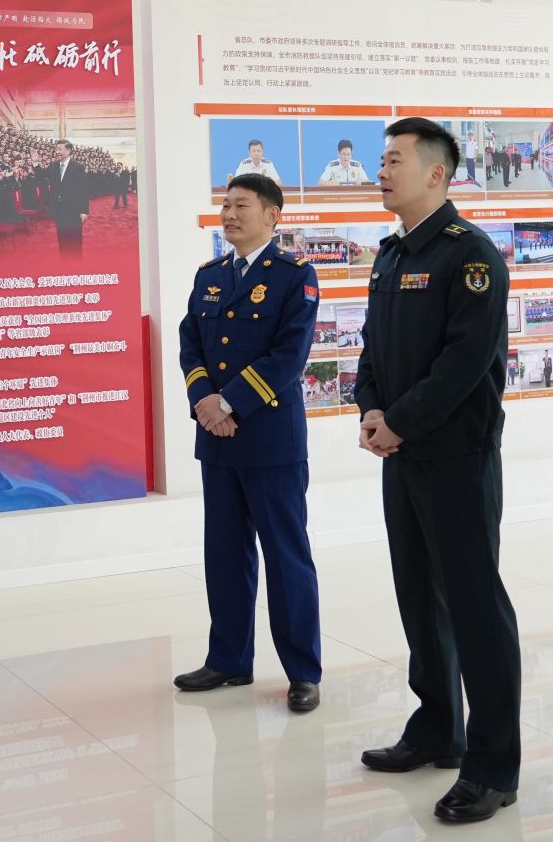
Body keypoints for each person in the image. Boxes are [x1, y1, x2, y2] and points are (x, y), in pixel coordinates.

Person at [355, 117, 521, 825]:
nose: (382, 171)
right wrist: (371, 408)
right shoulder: (391, 255)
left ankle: (493, 765)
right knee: (419, 597)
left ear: (435, 173)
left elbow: (465, 362)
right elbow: (372, 348)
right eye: (381, 160)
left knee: (475, 608)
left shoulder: (469, 255)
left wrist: (399, 421)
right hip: (402, 453)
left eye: (395, 160)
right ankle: (437, 729)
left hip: (455, 456)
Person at [174, 173, 325, 711]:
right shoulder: (210, 275)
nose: (230, 215)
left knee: (286, 557)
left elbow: (289, 356)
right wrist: (204, 402)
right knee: (224, 553)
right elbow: (190, 343)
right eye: (225, 206)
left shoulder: (294, 276)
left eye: (241, 206)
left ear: (272, 215)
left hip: (270, 439)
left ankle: (303, 671)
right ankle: (229, 660)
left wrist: (229, 403)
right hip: (217, 439)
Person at [46, 138, 89, 257]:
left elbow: (83, 190)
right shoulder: (53, 166)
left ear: (68, 150)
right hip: (59, 209)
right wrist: (35, 164)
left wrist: (84, 210)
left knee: (74, 239)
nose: (57, 152)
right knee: (62, 237)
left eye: (60, 149)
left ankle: (76, 262)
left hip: (74, 209)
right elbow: (42, 177)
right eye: (56, 149)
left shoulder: (78, 167)